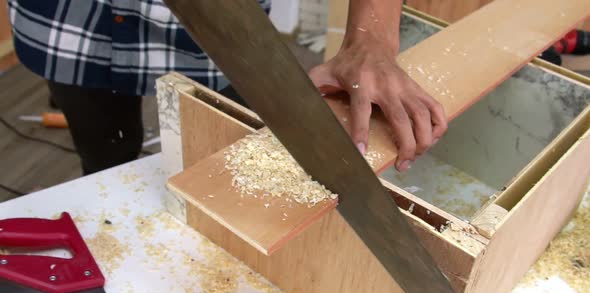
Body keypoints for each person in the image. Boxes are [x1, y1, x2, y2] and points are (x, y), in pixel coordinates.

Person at [7, 0, 446, 175]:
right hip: (72, 19)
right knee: (104, 158)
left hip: (221, 23)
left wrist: (371, 39)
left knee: (232, 166)